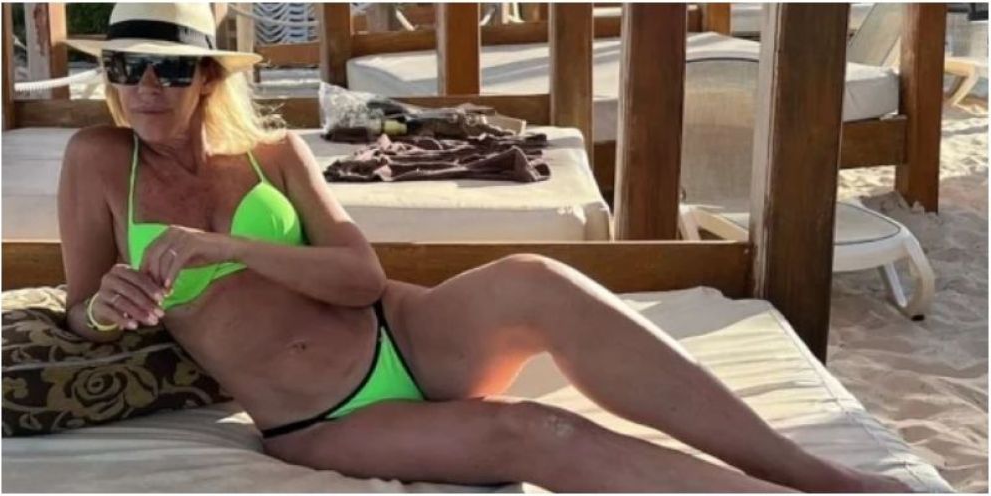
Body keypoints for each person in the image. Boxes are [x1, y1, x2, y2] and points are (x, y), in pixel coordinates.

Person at [59, 4, 912, 493]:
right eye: (127, 67)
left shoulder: (273, 154)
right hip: (322, 416)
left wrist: (225, 248)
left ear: (209, 77)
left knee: (537, 277)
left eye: (171, 69)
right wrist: (108, 306)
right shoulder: (98, 161)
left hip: (405, 332)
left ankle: (817, 475)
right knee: (536, 432)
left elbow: (360, 278)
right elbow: (82, 312)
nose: (145, 87)